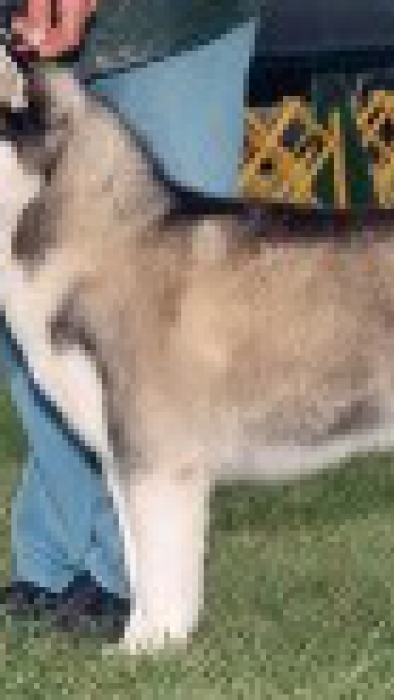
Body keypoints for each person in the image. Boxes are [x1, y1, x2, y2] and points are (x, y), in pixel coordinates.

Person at [0, 0, 262, 637]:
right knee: (41, 308)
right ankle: (53, 560)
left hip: (170, 22)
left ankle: (132, 581)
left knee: (161, 318)